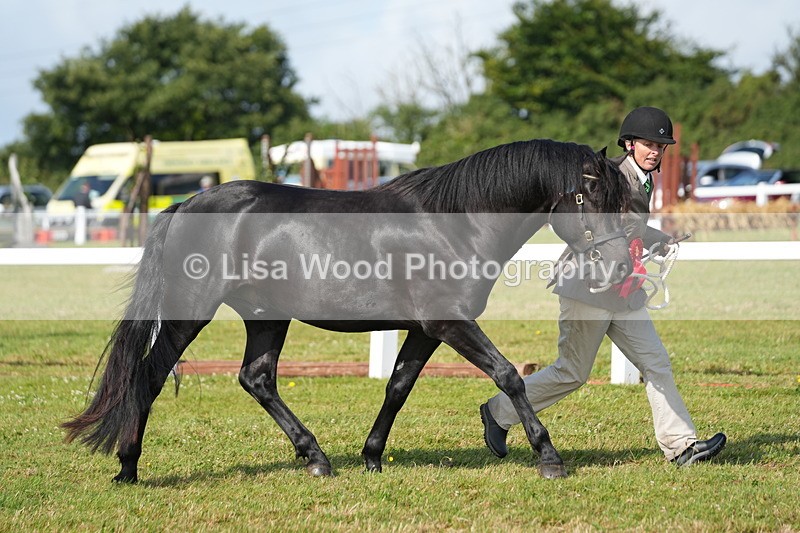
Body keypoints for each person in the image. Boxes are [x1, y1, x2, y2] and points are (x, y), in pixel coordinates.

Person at [480, 107, 726, 467]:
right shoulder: (607, 176)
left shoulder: (643, 178)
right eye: (648, 143)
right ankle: (499, 412)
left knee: (656, 362)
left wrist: (661, 238)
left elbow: (631, 228)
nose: (655, 150)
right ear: (629, 143)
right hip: (588, 287)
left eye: (661, 145)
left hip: (624, 291)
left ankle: (681, 446)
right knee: (572, 372)